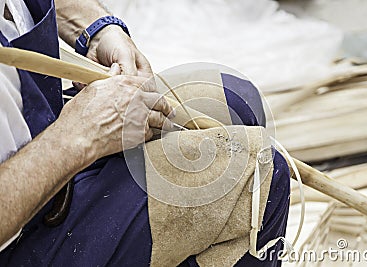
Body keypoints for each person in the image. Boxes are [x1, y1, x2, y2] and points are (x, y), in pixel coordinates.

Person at [0, 0, 290, 266]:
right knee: (258, 175)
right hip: (18, 229)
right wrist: (79, 136)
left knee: (235, 106)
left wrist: (97, 30)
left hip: (42, 133)